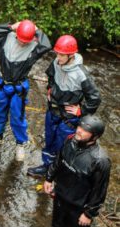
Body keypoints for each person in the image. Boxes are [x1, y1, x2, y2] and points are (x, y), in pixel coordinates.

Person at [27, 35, 100, 178]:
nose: (58, 57)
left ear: (71, 55)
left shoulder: (81, 74)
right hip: (53, 110)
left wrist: (81, 111)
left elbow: (95, 98)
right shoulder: (56, 63)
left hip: (68, 118)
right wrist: (50, 88)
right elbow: (51, 76)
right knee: (49, 140)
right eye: (57, 53)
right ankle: (46, 167)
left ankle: (57, 173)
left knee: (62, 146)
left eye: (61, 54)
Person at [38, 115, 110, 227]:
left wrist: (88, 214)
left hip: (79, 206)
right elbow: (59, 161)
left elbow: (99, 191)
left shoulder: (100, 161)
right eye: (79, 127)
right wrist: (49, 178)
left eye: (84, 130)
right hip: (61, 197)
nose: (79, 131)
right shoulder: (70, 140)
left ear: (94, 136)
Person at [0, 20, 51, 161]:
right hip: (3, 84)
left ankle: (20, 144)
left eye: (25, 41)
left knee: (17, 116)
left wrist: (37, 30)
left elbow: (46, 45)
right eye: (21, 40)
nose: (22, 43)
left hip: (18, 88)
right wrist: (10, 26)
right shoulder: (6, 38)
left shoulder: (34, 48)